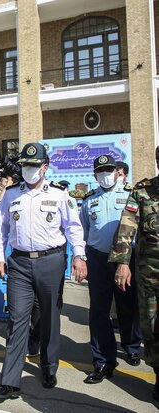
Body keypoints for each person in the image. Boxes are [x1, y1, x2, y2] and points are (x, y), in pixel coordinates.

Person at [0, 142, 87, 398]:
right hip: (19, 263)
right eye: (25, 166)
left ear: (44, 167)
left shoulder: (59, 194)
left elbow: (74, 228)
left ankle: (48, 366)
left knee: (49, 317)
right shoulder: (12, 194)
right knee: (17, 319)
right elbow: (0, 230)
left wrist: (79, 255)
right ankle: (10, 380)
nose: (28, 170)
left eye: (33, 166)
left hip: (51, 261)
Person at [80, 155, 142, 385]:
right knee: (98, 311)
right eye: (100, 172)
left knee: (127, 305)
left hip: (125, 259)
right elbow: (85, 230)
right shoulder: (89, 200)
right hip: (97, 258)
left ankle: (131, 345)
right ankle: (102, 360)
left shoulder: (130, 195)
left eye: (109, 170)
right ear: (95, 175)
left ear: (117, 172)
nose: (105, 175)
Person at [109, 145, 159, 401]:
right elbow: (127, 227)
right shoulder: (143, 191)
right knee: (151, 327)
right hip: (150, 274)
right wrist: (122, 262)